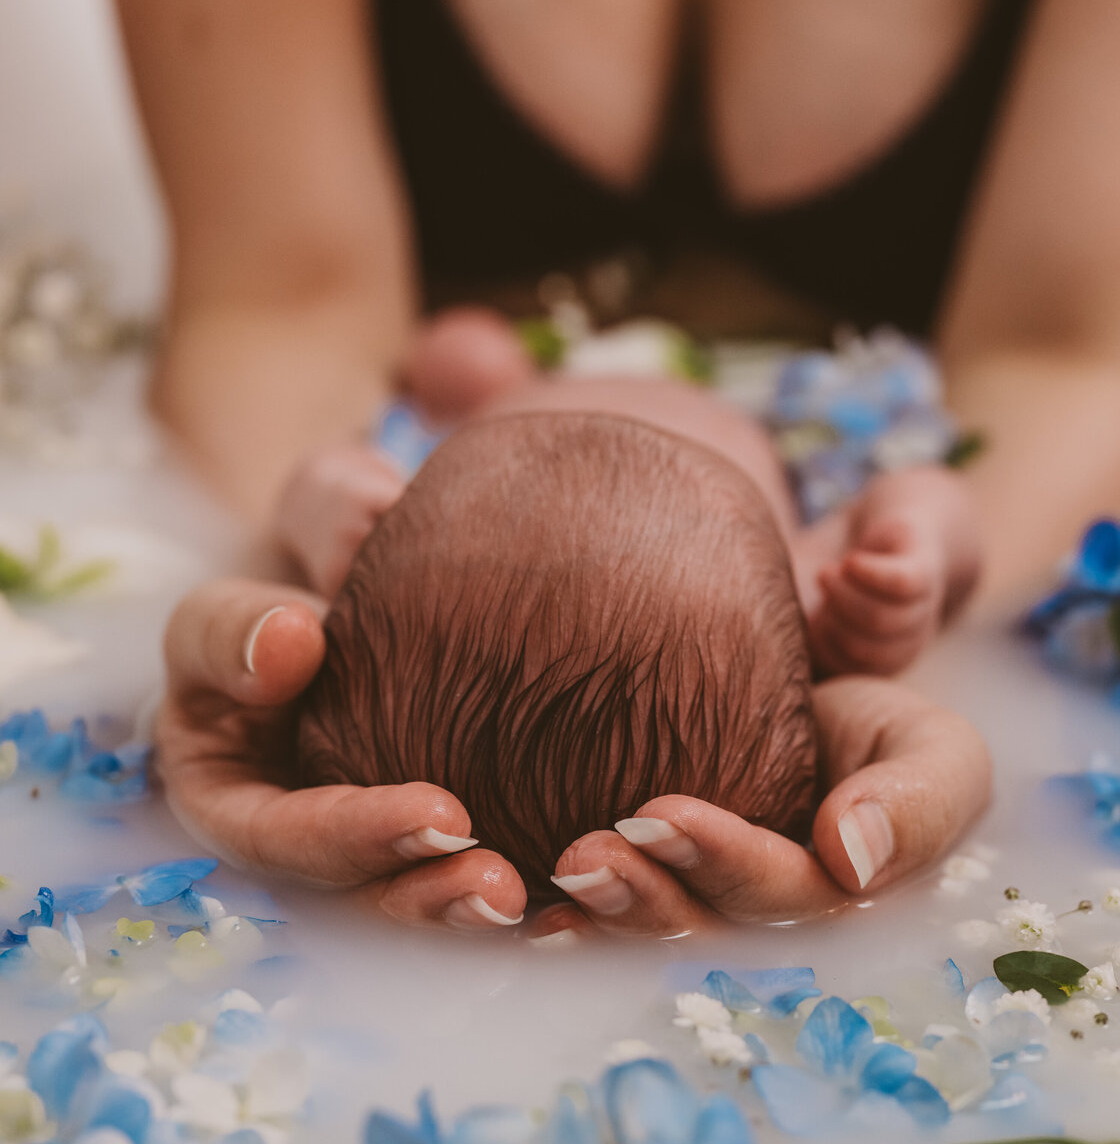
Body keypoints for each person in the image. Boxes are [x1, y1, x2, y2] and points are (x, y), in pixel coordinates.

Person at [81, 0, 1120, 936]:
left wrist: (860, 652)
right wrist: (319, 612)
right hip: (455, 464)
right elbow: (279, 310)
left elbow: (1068, 361)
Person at [291, 351, 983, 903]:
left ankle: (482, 380)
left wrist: (325, 506)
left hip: (497, 399)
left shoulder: (395, 536)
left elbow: (314, 473)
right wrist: (917, 552)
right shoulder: (800, 593)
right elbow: (933, 490)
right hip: (769, 392)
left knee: (463, 358)